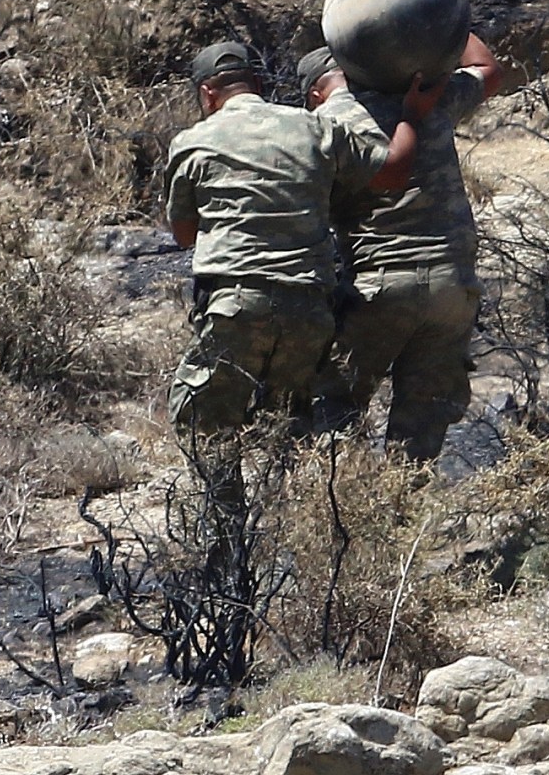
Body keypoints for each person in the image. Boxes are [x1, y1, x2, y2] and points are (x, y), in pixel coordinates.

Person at [164, 41, 438, 467]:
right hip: (309, 309)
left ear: (207, 94)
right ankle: (299, 520)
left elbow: (184, 234)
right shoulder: (313, 126)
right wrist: (411, 116)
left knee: (204, 425)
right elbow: (394, 170)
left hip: (237, 304)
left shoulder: (191, 142)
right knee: (292, 430)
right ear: (258, 83)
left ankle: (225, 529)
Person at [299, 33, 503, 462]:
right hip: (454, 287)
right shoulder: (431, 97)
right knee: (422, 427)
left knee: (333, 412)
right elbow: (488, 70)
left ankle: (342, 513)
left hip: (378, 289)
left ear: (316, 93)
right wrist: (441, 19)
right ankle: (407, 516)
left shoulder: (323, 124)